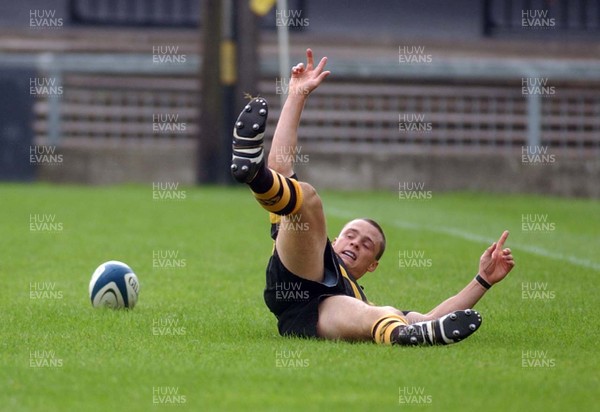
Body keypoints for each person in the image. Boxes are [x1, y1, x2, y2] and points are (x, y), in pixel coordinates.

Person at [230, 49, 515, 346]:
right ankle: (256, 176)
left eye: (367, 245)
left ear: (372, 266)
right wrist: (297, 95)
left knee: (382, 314)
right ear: (336, 240)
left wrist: (482, 280)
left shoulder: (355, 295)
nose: (355, 243)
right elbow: (282, 166)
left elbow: (429, 317)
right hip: (296, 273)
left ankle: (406, 338)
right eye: (351, 236)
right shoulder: (315, 244)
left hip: (315, 313)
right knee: (305, 200)